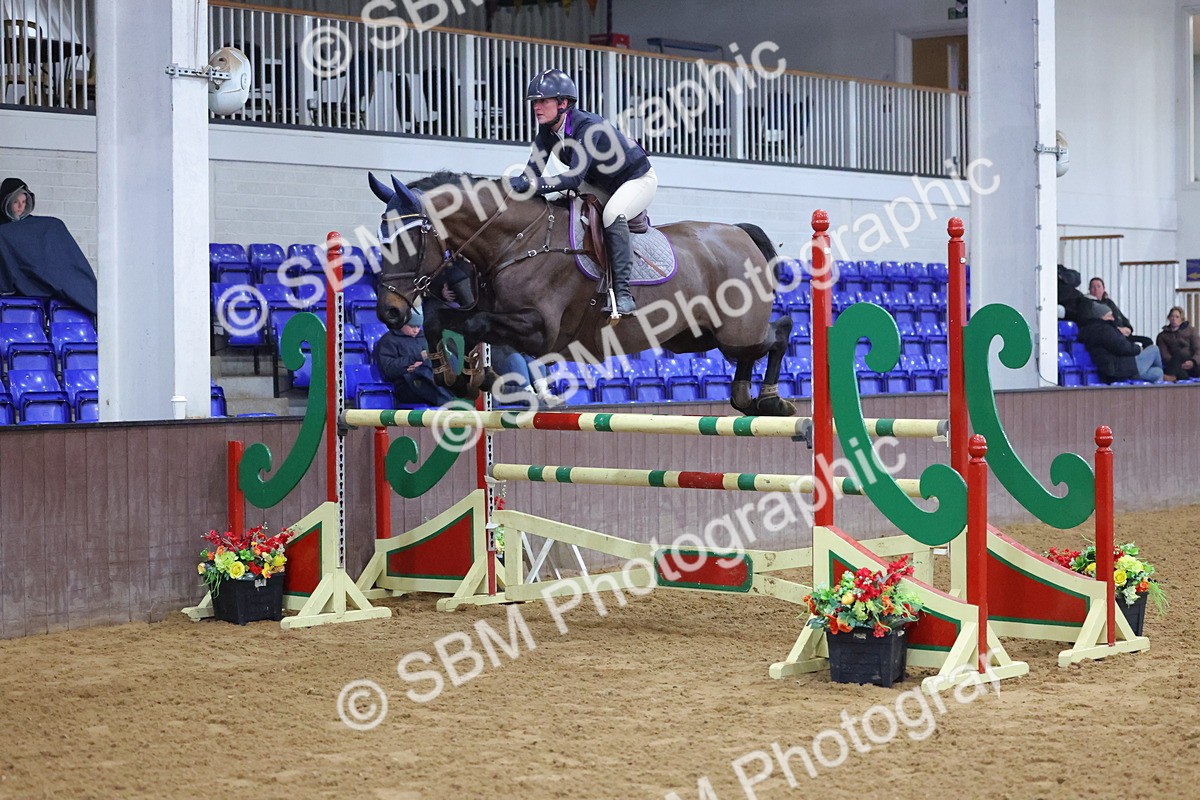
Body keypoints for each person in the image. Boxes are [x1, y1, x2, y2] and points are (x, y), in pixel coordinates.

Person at [507, 68, 657, 320]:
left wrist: (530, 184)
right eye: (534, 102)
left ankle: (623, 294)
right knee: (554, 204)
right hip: (599, 182)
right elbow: (531, 175)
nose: (536, 107)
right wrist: (508, 187)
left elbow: (574, 177)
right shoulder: (546, 132)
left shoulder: (587, 127)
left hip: (636, 179)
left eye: (543, 101)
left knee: (612, 214)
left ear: (563, 103)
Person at [0, 177, 98, 315]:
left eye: (24, 202)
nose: (21, 207)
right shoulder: (3, 230)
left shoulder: (36, 226)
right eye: (15, 202)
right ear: (6, 203)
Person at [373, 308, 454, 407]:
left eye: (418, 326)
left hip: (429, 376)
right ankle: (450, 403)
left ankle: (452, 401)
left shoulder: (425, 337)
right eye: (411, 326)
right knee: (427, 373)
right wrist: (416, 359)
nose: (415, 330)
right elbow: (388, 368)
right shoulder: (388, 341)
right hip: (406, 384)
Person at [1077, 301, 1163, 384]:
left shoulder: (1095, 329)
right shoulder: (1104, 330)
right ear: (1101, 316)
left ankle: (1160, 385)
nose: (1113, 318)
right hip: (1119, 369)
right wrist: (1138, 348)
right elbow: (1122, 347)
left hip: (1115, 368)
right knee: (1154, 349)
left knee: (1158, 372)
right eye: (1110, 316)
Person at [1087, 276, 1153, 347]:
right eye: (1093, 287)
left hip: (1124, 334)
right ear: (1089, 289)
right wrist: (1118, 329)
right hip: (1112, 336)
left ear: (1103, 289)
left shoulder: (1109, 302)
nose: (1096, 289)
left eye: (1098, 286)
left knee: (1148, 341)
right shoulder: (1089, 304)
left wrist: (1128, 328)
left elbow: (1121, 316)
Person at [1156, 305, 1200, 382]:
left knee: (1184, 353)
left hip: (1191, 361)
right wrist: (1178, 364)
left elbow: (1198, 349)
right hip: (1174, 363)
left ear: (1182, 319)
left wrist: (1193, 362)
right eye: (1172, 316)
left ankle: (1171, 375)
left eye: (1177, 317)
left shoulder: (1191, 331)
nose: (1174, 319)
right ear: (1169, 318)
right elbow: (1165, 355)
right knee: (1183, 375)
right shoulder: (1162, 336)